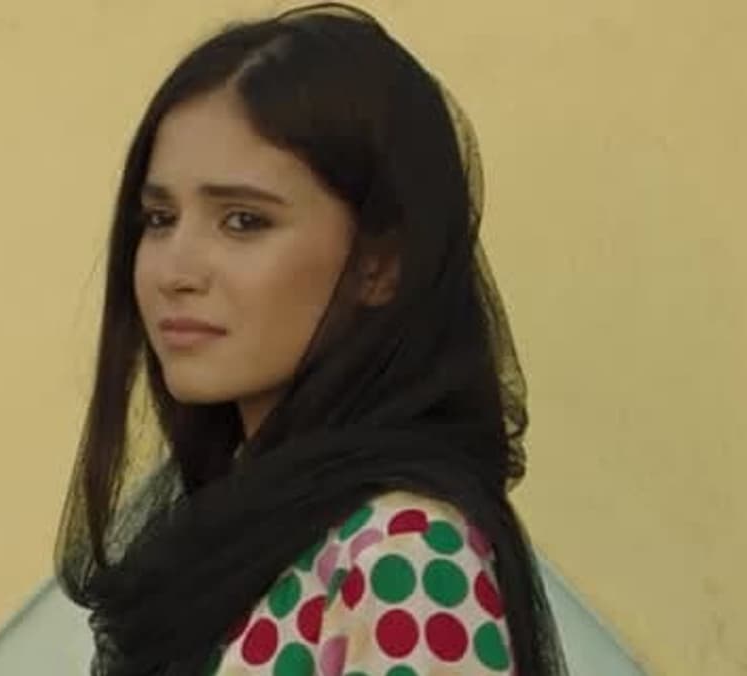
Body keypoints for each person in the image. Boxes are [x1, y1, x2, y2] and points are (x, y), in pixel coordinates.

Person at [53, 4, 566, 675]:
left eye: (243, 221)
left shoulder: (401, 556)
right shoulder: (241, 524)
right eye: (158, 218)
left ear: (379, 265)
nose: (174, 271)